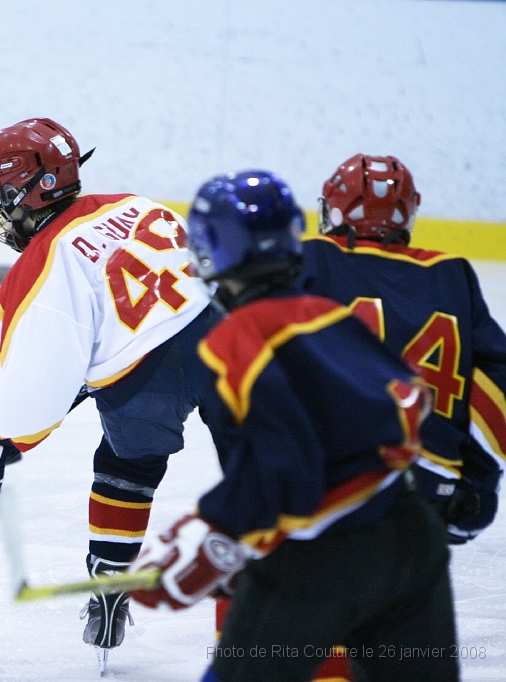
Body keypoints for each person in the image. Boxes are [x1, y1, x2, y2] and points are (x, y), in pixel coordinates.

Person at [128, 170, 458, 682]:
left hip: (323, 557)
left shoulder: (234, 337)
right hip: (413, 534)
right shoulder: (330, 313)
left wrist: (212, 532)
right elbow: (412, 402)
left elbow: (283, 471)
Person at [0, 117, 220, 670]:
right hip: (224, 335)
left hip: (147, 380)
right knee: (259, 466)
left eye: (0, 193)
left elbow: (38, 383)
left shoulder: (39, 267)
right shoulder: (135, 204)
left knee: (127, 467)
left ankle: (110, 589)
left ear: (29, 190)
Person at [299, 154, 506, 543]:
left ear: (334, 210)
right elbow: (497, 384)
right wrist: (480, 482)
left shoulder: (309, 259)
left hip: (325, 484)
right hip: (429, 491)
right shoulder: (452, 273)